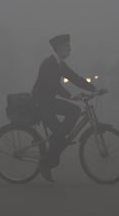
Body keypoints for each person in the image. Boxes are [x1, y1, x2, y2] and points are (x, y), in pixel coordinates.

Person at [32, 34, 98, 182]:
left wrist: (93, 89)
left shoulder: (60, 64)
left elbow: (74, 77)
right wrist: (70, 96)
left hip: (49, 101)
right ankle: (46, 162)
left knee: (73, 112)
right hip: (41, 103)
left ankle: (57, 141)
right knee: (61, 133)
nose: (70, 49)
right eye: (67, 47)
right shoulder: (49, 63)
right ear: (59, 48)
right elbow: (53, 85)